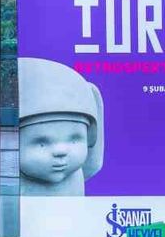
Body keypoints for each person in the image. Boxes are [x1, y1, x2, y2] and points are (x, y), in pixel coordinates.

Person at [18, 57, 104, 196]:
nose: (61, 151)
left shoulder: (76, 175)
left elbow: (93, 165)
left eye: (74, 140)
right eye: (42, 143)